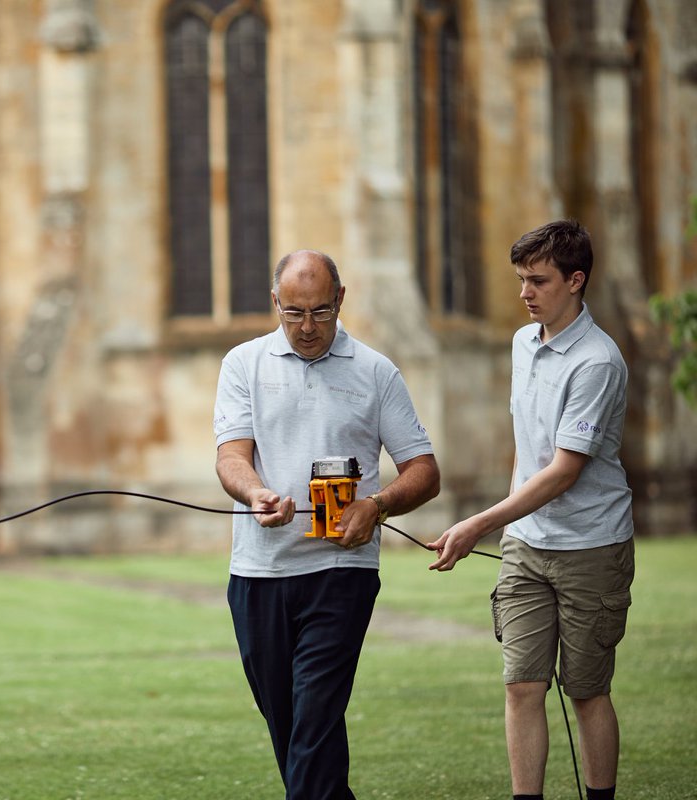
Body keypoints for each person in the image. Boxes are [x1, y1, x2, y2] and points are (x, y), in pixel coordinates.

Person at [214, 250, 440, 799]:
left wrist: (377, 506)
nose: (308, 328)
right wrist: (256, 492)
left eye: (320, 311)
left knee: (314, 721)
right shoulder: (243, 363)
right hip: (258, 573)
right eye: (294, 313)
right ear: (275, 304)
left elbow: (424, 471)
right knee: (291, 726)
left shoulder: (376, 371)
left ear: (341, 300)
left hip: (341, 572)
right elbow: (230, 458)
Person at [428, 220, 633, 800]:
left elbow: (565, 471)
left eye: (537, 281)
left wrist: (478, 523)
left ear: (576, 280)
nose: (524, 292)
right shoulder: (525, 341)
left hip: (592, 545)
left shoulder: (597, 362)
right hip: (526, 545)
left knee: (586, 690)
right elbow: (529, 441)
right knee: (522, 685)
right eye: (520, 279)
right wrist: (513, 517)